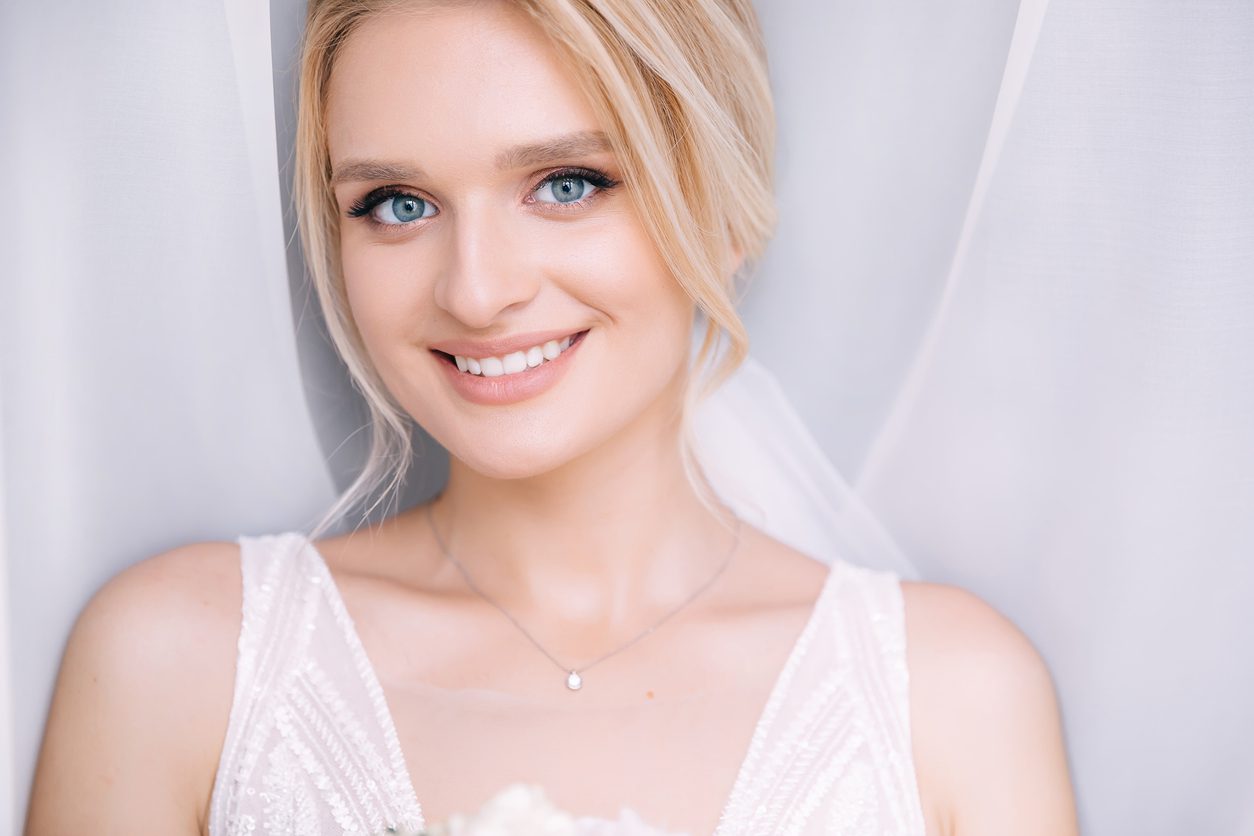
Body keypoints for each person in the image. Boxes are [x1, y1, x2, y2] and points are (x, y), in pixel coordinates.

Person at [24, 1, 1078, 833]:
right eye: (397, 203)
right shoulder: (179, 663)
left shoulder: (952, 700)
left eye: (566, 183)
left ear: (719, 203)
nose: (476, 291)